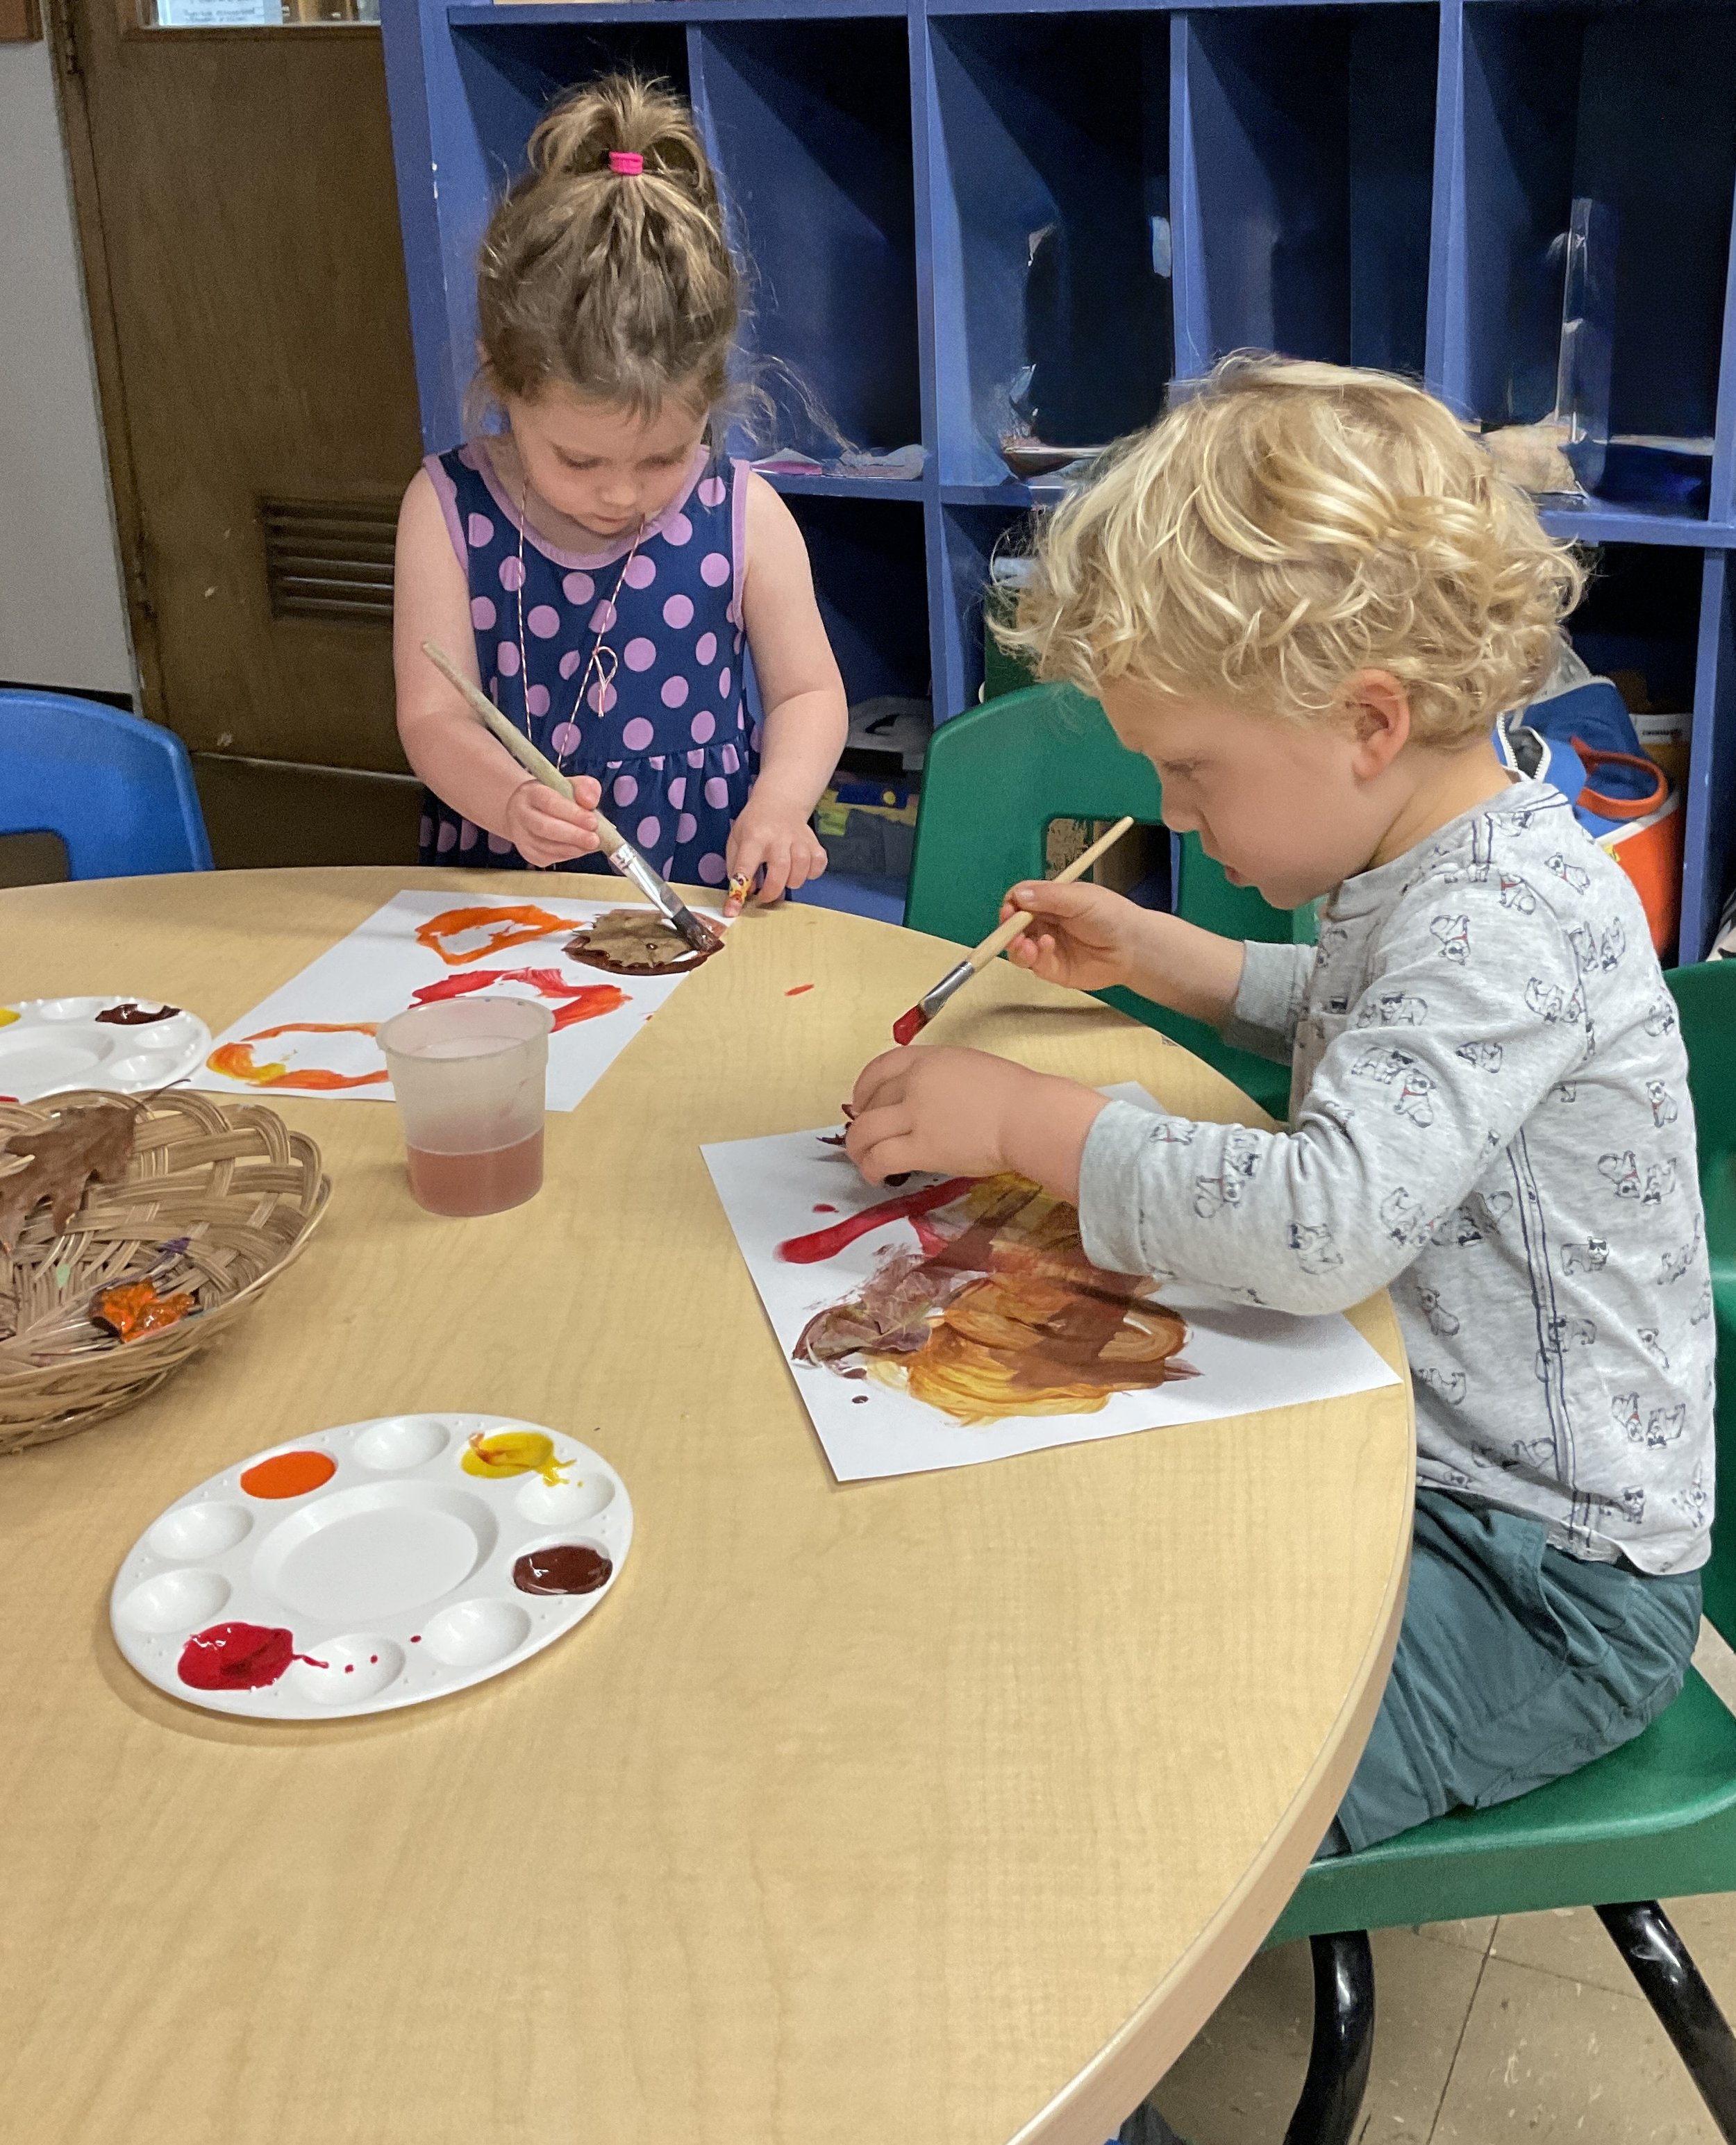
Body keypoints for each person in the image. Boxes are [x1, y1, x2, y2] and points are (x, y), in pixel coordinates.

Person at [847, 356, 1714, 1852]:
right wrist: (1170, 959)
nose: (1174, 812)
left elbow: (1324, 1222)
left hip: (1539, 1584)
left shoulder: (1498, 916)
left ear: (1368, 719)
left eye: (1192, 769)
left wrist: (1022, 1123)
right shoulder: (1436, 856)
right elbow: (1379, 1027)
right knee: (1058, 1572)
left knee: (1141, 1779)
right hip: (1405, 1461)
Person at [393, 74, 847, 915]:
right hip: (508, 897)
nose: (621, 494)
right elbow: (433, 718)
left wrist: (782, 804)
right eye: (578, 459)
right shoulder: (446, 508)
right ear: (501, 380)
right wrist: (508, 801)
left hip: (702, 883)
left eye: (665, 457)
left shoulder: (742, 514)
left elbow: (808, 694)